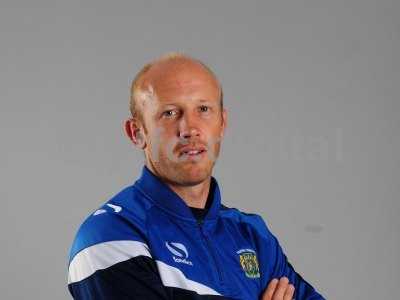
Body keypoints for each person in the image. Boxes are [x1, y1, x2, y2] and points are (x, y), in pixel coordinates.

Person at [67, 53, 325, 300]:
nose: (190, 129)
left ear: (222, 124)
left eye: (203, 109)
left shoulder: (253, 236)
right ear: (137, 133)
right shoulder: (110, 235)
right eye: (169, 113)